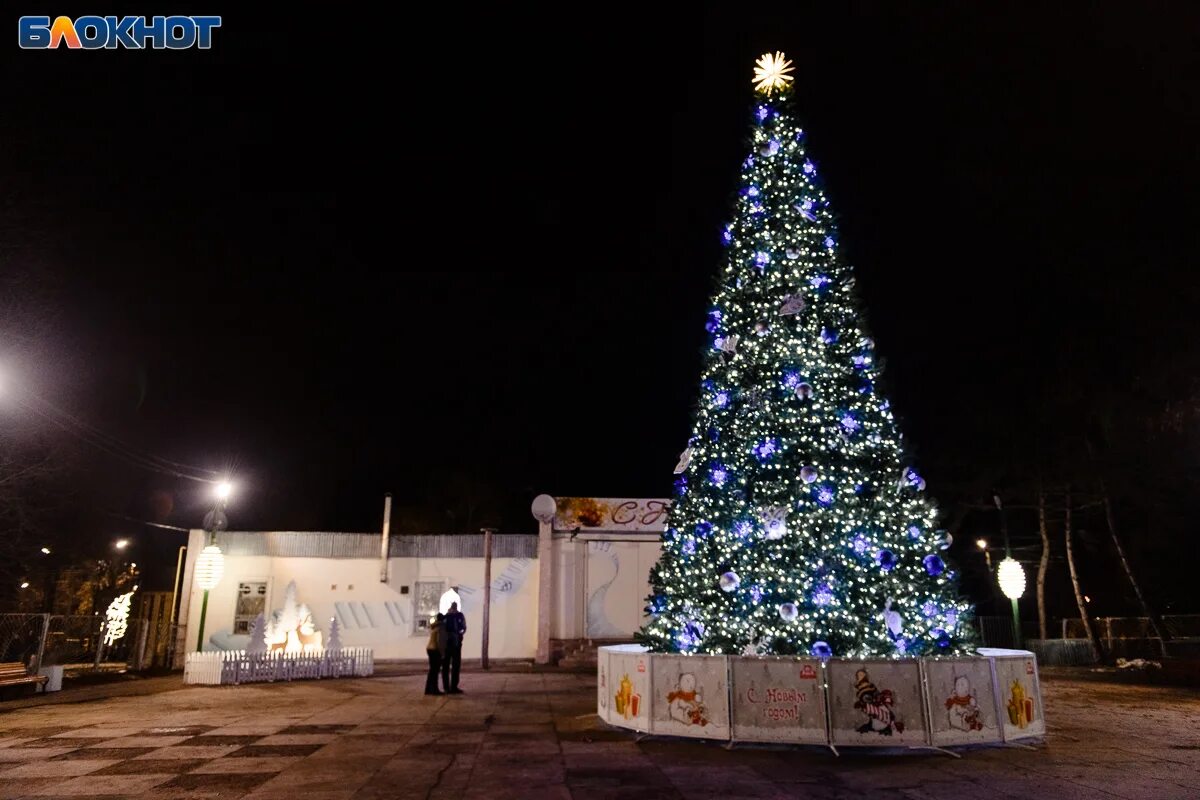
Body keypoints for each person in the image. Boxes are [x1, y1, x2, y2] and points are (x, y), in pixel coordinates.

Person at [443, 601, 466, 694]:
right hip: (453, 644)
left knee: (449, 666)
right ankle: (451, 687)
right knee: (453, 665)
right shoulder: (456, 616)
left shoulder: (447, 617)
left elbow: (464, 627)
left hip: (451, 644)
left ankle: (449, 687)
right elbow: (464, 627)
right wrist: (460, 634)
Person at [424, 613, 446, 695]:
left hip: (429, 648)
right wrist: (442, 653)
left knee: (432, 670)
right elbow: (440, 641)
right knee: (435, 670)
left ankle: (428, 689)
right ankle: (434, 689)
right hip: (435, 650)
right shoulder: (441, 628)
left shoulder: (434, 626)